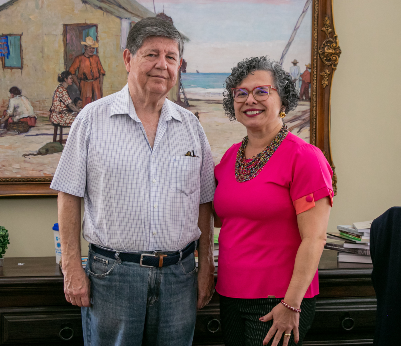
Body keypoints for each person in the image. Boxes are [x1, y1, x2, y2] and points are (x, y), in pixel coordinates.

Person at [50, 17, 216, 346]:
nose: (162, 65)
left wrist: (205, 266)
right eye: (151, 54)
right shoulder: (92, 119)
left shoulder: (190, 127)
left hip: (179, 276)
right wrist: (71, 267)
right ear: (128, 59)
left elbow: (204, 203)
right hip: (112, 276)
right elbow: (68, 195)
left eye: (171, 57)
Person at [214, 56, 333, 346]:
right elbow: (225, 221)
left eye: (261, 91)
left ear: (283, 98)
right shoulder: (230, 156)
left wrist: (291, 304)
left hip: (278, 300)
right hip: (230, 293)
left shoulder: (305, 158)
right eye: (240, 93)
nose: (249, 100)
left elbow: (315, 239)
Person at [68, 36, 106, 108]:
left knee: (98, 103)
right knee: (86, 104)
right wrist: (78, 85)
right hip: (85, 84)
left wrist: (100, 87)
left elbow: (101, 72)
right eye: (90, 48)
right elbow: (71, 72)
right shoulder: (79, 58)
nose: (92, 50)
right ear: (85, 48)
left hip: (96, 83)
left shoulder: (96, 58)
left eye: (93, 48)